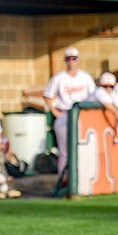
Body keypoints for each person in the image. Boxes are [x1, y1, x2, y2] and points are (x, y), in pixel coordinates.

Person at [43, 47, 95, 177]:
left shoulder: (85, 77)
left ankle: (83, 177)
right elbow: (47, 95)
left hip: (83, 114)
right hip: (65, 113)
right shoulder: (59, 77)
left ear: (78, 60)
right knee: (64, 151)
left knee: (84, 148)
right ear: (65, 60)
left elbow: (94, 95)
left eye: (74, 58)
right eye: (69, 59)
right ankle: (64, 179)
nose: (71, 61)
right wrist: (55, 112)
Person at [86, 72, 118, 142]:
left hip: (93, 123)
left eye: (111, 86)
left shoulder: (112, 93)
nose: (108, 89)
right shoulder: (99, 91)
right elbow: (114, 111)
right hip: (85, 119)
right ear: (100, 85)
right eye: (105, 86)